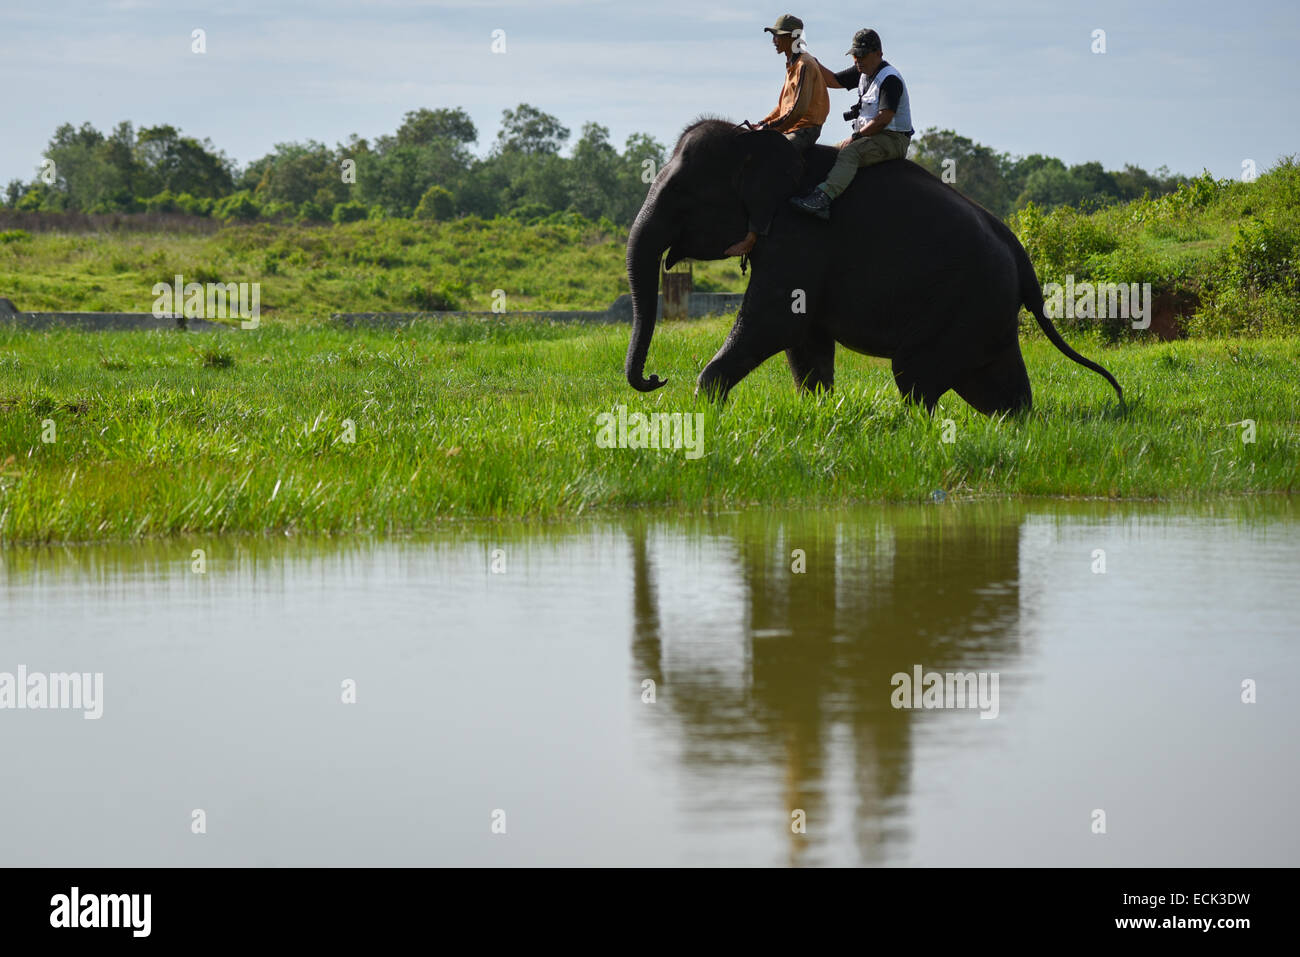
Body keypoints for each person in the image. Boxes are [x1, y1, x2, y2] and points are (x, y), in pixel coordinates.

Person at [724, 14, 831, 257]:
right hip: (792, 127)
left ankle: (752, 237)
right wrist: (762, 123)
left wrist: (771, 130)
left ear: (792, 38)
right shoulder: (792, 64)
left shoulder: (804, 64)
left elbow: (798, 111)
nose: (773, 40)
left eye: (777, 36)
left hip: (804, 130)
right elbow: (783, 107)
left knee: (768, 168)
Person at [789, 28, 913, 220]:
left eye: (862, 55)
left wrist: (856, 137)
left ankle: (823, 198)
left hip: (892, 139)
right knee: (831, 152)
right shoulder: (863, 71)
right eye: (855, 55)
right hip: (872, 136)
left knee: (850, 152)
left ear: (878, 54)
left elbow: (883, 119)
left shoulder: (890, 80)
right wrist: (810, 61)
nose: (857, 60)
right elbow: (833, 80)